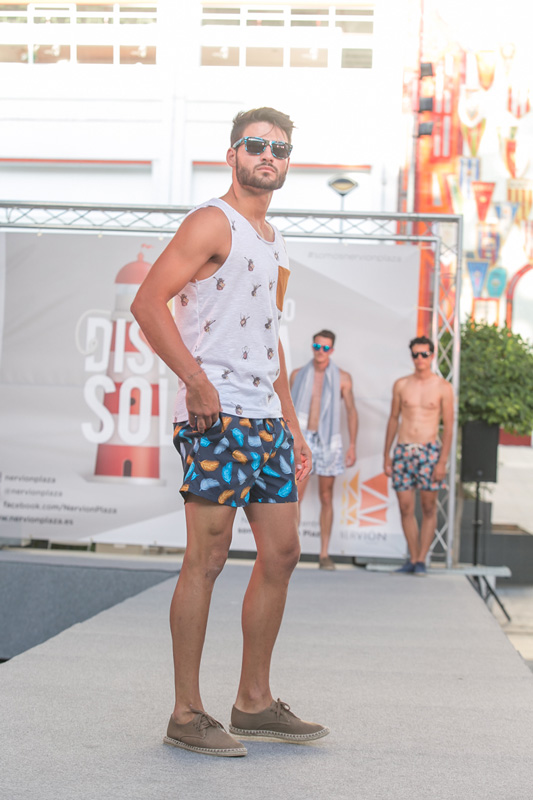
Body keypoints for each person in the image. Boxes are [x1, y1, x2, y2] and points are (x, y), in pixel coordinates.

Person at [131, 107, 329, 758]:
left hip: (266, 418)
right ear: (232, 154)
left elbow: (269, 336)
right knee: (208, 558)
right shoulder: (210, 221)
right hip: (217, 417)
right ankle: (186, 713)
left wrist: (292, 425)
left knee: (283, 553)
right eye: (255, 145)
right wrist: (194, 381)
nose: (268, 155)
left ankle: (254, 702)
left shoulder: (273, 239)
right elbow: (147, 302)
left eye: (279, 149)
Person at [383, 336, 454, 576]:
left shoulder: (443, 387)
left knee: (428, 506)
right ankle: (413, 558)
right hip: (403, 450)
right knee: (405, 507)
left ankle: (422, 559)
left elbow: (449, 427)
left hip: (429, 451)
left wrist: (442, 461)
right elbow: (393, 419)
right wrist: (387, 454)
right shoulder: (401, 384)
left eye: (424, 354)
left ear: (432, 356)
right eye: (415, 354)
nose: (419, 359)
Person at [290, 330, 358, 570]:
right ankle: (291, 551)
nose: (321, 351)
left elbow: (351, 411)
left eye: (326, 348)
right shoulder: (297, 375)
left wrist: (352, 445)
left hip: (329, 440)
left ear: (332, 350)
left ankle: (324, 553)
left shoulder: (343, 378)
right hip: (303, 438)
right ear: (312, 346)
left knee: (326, 496)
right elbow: (286, 408)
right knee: (295, 496)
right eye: (317, 346)